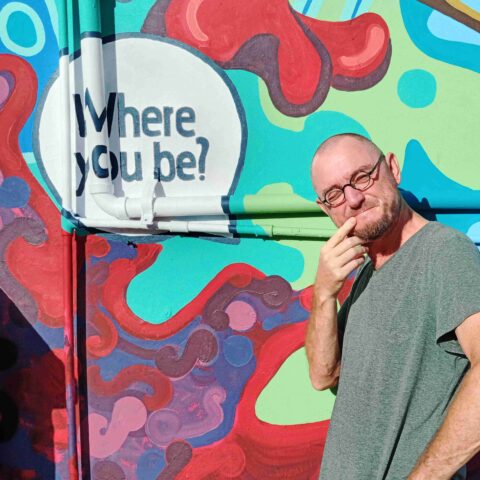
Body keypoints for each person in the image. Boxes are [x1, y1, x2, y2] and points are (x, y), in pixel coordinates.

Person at [306, 133, 480, 480]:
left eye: (361, 177)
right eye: (334, 194)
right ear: (325, 208)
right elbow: (322, 375)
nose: (353, 199)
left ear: (392, 168)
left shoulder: (443, 252)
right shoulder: (366, 276)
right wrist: (323, 293)